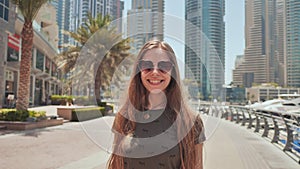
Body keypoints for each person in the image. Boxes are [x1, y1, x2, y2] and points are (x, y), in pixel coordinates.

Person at [107, 40, 206, 169]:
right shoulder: (124, 116)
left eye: (163, 66)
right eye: (147, 65)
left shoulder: (191, 121)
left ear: (172, 71)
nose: (154, 72)